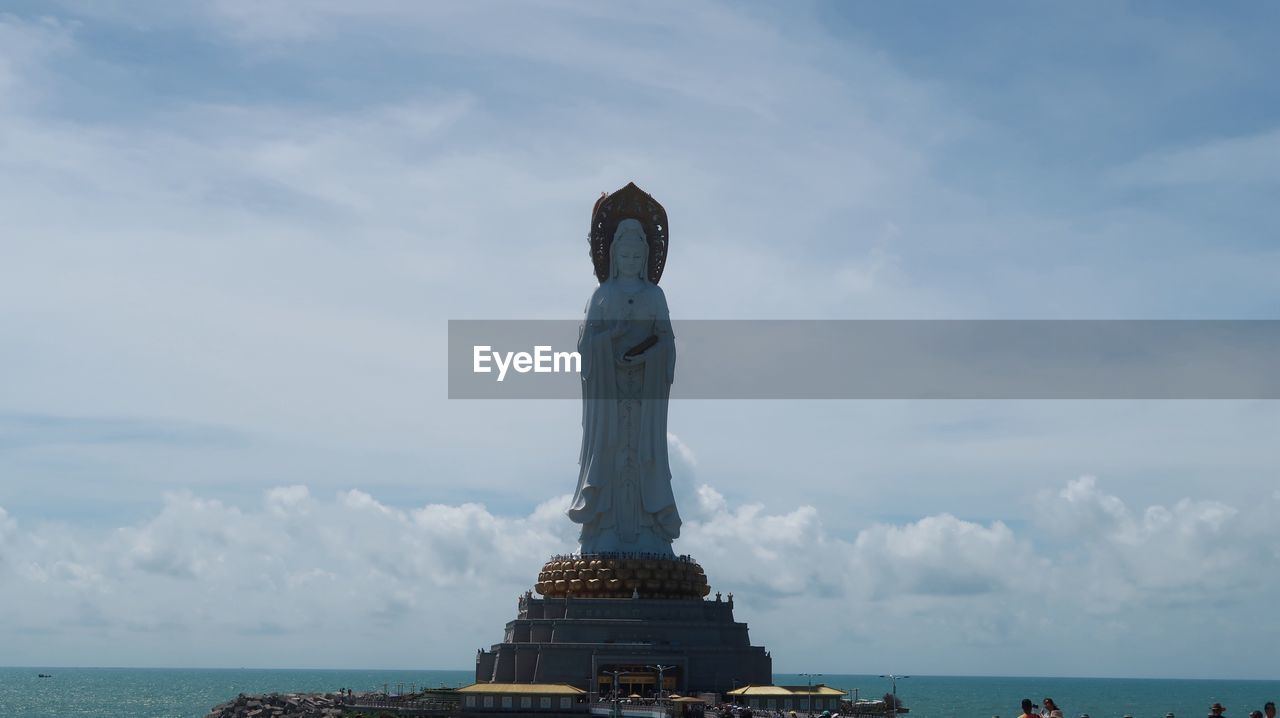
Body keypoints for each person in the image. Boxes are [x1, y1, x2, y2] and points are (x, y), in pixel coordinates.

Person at [568, 218, 681, 555]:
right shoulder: (603, 295)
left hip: (644, 392)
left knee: (646, 456)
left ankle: (650, 530)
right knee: (609, 453)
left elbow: (668, 343)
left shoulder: (655, 296)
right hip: (609, 394)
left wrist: (649, 355)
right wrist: (610, 339)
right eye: (625, 257)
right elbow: (586, 346)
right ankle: (603, 529)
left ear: (645, 259)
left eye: (636, 258)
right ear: (614, 258)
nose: (631, 263)